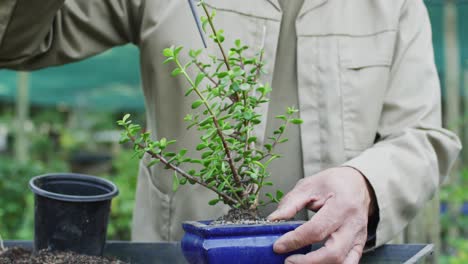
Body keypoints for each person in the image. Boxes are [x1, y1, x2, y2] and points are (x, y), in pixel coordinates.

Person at [0, 0, 461, 263]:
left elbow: (424, 136)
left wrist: (365, 184)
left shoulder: (393, 5)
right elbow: (17, 43)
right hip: (179, 256)